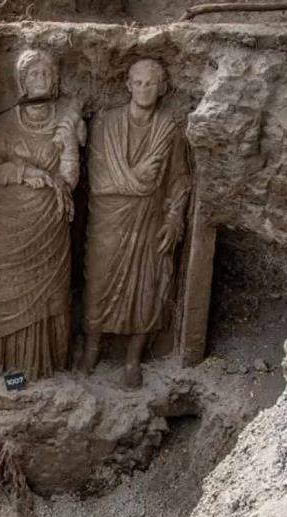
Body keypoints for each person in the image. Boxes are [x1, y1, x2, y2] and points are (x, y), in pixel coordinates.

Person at [82, 58, 191, 388]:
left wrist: (174, 218)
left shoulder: (168, 129)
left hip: (149, 219)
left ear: (162, 88)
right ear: (128, 85)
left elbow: (179, 178)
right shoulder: (106, 123)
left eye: (151, 83)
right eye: (139, 83)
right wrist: (137, 179)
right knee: (98, 284)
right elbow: (98, 180)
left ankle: (133, 358)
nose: (144, 89)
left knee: (148, 287)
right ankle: (92, 348)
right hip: (108, 220)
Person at [0, 49, 85, 380]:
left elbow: (69, 180)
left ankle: (45, 371)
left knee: (51, 297)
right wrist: (23, 172)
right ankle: (11, 374)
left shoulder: (64, 121)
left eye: (45, 73)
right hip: (9, 225)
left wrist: (70, 147)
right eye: (33, 73)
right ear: (21, 81)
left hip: (50, 223)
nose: (40, 78)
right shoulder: (5, 122)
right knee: (7, 295)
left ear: (55, 79)